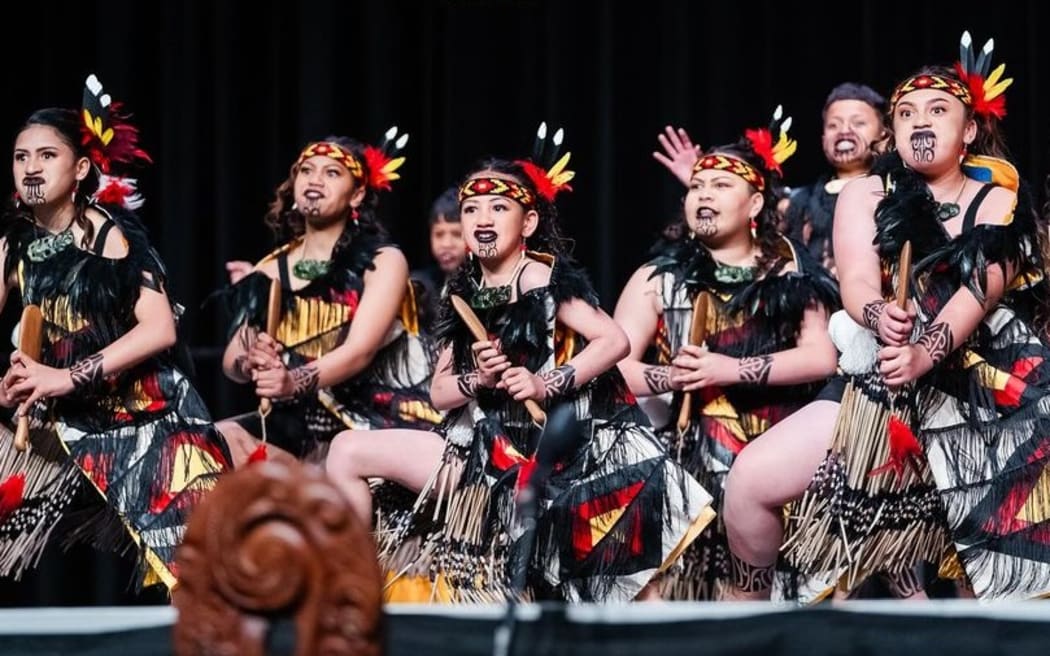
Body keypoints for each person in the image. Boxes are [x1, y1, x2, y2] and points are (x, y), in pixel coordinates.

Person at [723, 32, 1050, 601]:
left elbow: (980, 288)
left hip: (988, 392)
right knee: (750, 481)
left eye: (938, 109)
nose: (920, 122)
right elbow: (855, 279)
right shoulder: (867, 193)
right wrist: (878, 316)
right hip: (884, 379)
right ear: (892, 135)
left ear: (969, 130)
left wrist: (926, 350)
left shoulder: (1000, 195)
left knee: (991, 576)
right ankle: (748, 622)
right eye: (906, 113)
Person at [325, 132, 713, 602]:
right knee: (346, 451)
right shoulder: (460, 291)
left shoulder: (541, 275)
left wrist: (542, 382)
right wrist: (479, 379)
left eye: (497, 208)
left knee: (626, 589)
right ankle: (352, 596)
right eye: (471, 210)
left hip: (551, 461)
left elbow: (614, 340)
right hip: (477, 455)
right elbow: (440, 394)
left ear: (528, 223)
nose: (481, 219)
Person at [0, 75, 230, 592]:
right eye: (20, 157)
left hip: (148, 416)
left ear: (81, 168)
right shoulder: (11, 247)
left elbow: (159, 328)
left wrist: (63, 377)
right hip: (65, 426)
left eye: (46, 155)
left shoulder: (112, 235)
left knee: (200, 570)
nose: (31, 168)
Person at [615, 111, 839, 600]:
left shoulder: (791, 276)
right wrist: (671, 377)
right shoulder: (657, 278)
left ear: (756, 201)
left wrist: (729, 369)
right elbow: (616, 367)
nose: (705, 194)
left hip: (782, 456)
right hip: (693, 463)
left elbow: (822, 357)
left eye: (720, 184)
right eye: (696, 186)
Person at [215, 129, 440, 467]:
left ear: (357, 194)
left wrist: (292, 381)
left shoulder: (382, 261)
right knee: (209, 443)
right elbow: (233, 358)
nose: (314, 179)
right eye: (306, 170)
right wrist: (251, 360)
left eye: (331, 172)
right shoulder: (271, 269)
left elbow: (359, 351)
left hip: (373, 418)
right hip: (297, 427)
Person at [784, 83, 888, 275]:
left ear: (884, 133)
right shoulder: (795, 203)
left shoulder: (896, 194)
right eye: (833, 125)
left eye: (858, 123)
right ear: (823, 138)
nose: (844, 131)